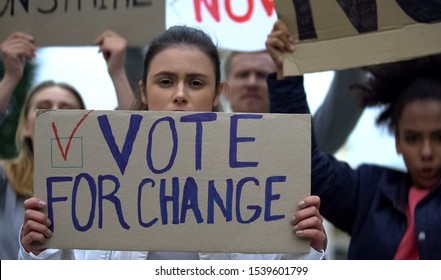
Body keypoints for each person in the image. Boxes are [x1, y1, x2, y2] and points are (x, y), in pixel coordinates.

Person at [19, 25, 327, 260]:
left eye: (196, 82)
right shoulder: (96, 181)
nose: (180, 94)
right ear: (143, 91)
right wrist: (36, 251)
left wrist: (307, 250)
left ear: (217, 93)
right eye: (165, 81)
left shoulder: (258, 183)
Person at [266, 19, 441, 259]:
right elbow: (306, 164)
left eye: (440, 137)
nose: (426, 152)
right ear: (397, 141)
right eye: (412, 138)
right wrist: (286, 76)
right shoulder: (367, 190)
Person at [0, 31, 134, 260]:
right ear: (24, 126)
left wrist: (118, 72)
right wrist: (10, 77)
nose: (55, 113)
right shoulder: (5, 179)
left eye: (67, 108)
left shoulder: (101, 185)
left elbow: (136, 138)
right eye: (43, 106)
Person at [223, 48, 367, 154]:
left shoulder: (307, 143)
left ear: (279, 84)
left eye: (262, 75)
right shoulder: (204, 144)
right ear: (223, 89)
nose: (251, 83)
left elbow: (351, 87)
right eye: (242, 75)